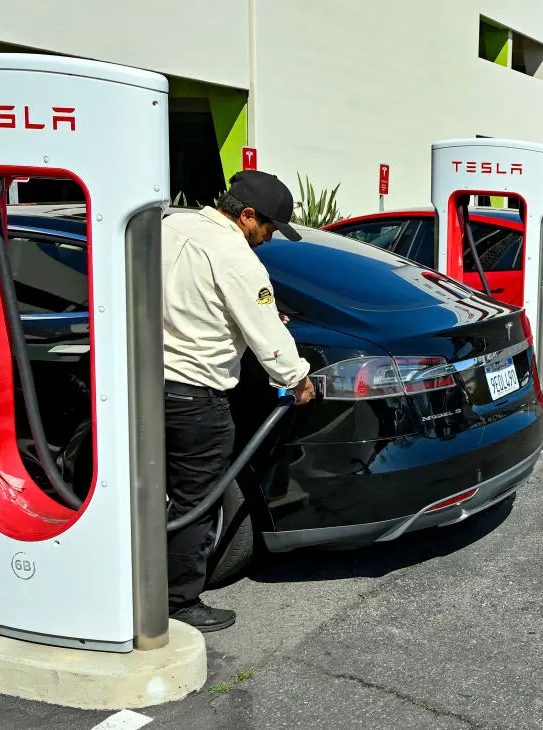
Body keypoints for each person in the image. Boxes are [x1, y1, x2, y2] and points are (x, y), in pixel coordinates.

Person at [161, 170, 316, 632]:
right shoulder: (236, 258)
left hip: (141, 387)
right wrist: (298, 378)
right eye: (267, 229)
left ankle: (136, 575)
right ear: (246, 215)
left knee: (151, 490)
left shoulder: (168, 227)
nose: (267, 240)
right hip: (196, 397)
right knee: (197, 499)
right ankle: (177, 601)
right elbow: (269, 336)